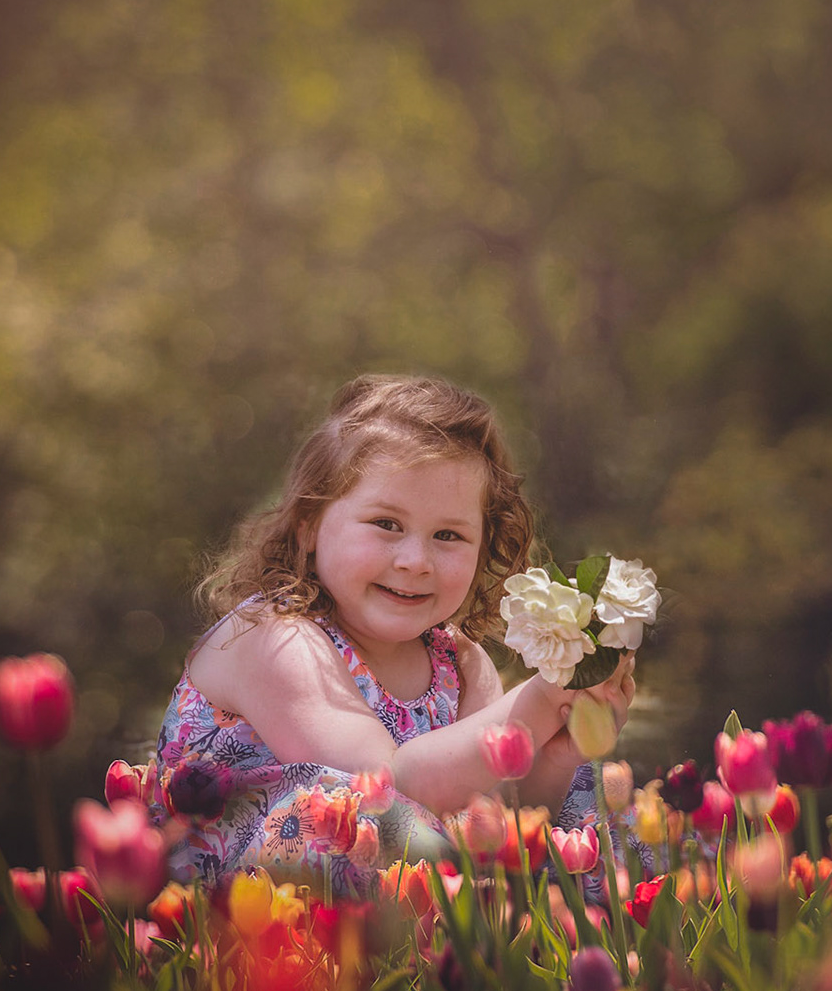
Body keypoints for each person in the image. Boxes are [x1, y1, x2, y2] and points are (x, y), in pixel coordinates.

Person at [150, 374, 635, 894]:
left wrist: (558, 746)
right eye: (386, 523)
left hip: (407, 905)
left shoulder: (461, 665)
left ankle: (547, 960)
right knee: (366, 825)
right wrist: (539, 700)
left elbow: (490, 821)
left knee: (594, 812)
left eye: (448, 535)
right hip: (243, 914)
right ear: (309, 525)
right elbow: (388, 786)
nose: (414, 561)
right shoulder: (275, 639)